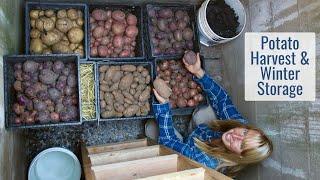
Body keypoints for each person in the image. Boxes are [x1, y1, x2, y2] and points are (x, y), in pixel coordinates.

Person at [151, 53, 273, 177]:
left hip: (190, 152)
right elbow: (222, 100)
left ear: (240, 156)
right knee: (205, 111)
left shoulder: (206, 162)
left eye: (241, 145)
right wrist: (199, 72)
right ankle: (188, 130)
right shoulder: (239, 126)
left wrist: (164, 104)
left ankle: (180, 138)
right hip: (199, 135)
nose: (236, 136)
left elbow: (168, 142)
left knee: (153, 128)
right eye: (245, 133)